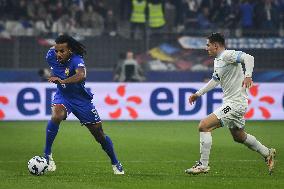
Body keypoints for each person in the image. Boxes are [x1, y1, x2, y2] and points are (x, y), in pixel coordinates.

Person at [185, 33, 276, 175]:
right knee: (238, 136)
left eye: (208, 45)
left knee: (204, 125)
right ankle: (267, 152)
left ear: (216, 45)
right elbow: (215, 81)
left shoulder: (227, 55)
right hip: (234, 102)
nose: (206, 48)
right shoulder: (218, 61)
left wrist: (248, 75)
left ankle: (203, 165)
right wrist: (198, 94)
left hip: (235, 103)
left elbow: (249, 58)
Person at [44, 34, 124, 175]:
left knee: (99, 135)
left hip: (81, 100)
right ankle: (47, 155)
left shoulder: (76, 60)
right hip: (63, 97)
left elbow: (81, 75)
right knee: (57, 115)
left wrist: (62, 81)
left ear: (70, 50)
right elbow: (54, 48)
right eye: (57, 50)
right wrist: (55, 47)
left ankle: (115, 162)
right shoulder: (51, 54)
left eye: (62, 51)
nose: (58, 54)